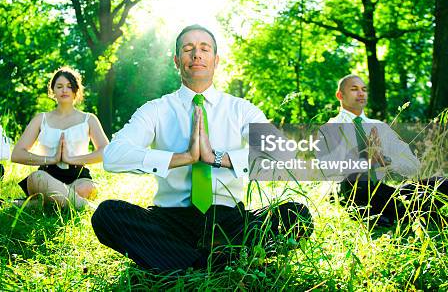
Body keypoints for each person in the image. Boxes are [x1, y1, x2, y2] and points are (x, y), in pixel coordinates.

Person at [91, 24, 313, 272]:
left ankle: (182, 262)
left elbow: (282, 153)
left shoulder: (240, 109)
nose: (196, 54)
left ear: (215, 60)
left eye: (204, 49)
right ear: (177, 61)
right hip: (171, 221)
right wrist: (183, 157)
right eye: (188, 49)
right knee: (107, 214)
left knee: (297, 215)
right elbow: (112, 156)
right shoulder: (155, 110)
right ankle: (217, 261)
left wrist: (217, 157)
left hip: (230, 219)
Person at [319, 74, 448, 226]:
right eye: (354, 89)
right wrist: (363, 160)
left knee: (444, 184)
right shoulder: (328, 129)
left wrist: (386, 160)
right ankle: (419, 215)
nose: (361, 93)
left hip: (383, 193)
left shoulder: (380, 127)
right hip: (349, 192)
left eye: (364, 89)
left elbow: (413, 166)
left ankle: (389, 215)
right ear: (340, 95)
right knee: (355, 182)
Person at [11, 67, 108, 210]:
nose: (64, 90)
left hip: (78, 176)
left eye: (69, 86)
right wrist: (51, 160)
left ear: (76, 91)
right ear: (53, 91)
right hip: (46, 175)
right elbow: (17, 154)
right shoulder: (41, 119)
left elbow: (106, 151)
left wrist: (72, 160)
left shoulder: (89, 119)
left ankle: (38, 203)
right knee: (36, 178)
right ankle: (89, 208)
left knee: (87, 188)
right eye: (59, 86)